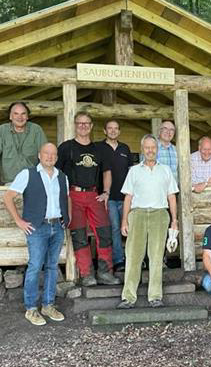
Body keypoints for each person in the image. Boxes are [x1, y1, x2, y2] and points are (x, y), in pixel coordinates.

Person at [3, 143, 71, 326]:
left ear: (56, 157)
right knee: (34, 266)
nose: (50, 157)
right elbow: (8, 197)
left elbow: (66, 199)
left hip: (57, 226)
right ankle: (31, 308)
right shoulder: (28, 174)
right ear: (39, 156)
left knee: (51, 266)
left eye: (53, 154)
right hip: (37, 228)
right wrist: (19, 220)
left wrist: (67, 217)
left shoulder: (62, 177)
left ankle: (48, 305)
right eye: (46, 153)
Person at [56, 112, 120, 287]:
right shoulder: (65, 147)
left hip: (94, 195)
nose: (83, 126)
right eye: (80, 123)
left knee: (105, 233)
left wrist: (106, 192)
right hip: (73, 195)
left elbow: (107, 172)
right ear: (75, 125)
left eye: (87, 123)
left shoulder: (99, 149)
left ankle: (106, 273)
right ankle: (86, 275)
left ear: (91, 126)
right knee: (79, 236)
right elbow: (56, 173)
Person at [117, 134, 179, 309]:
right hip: (137, 214)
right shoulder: (134, 170)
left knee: (157, 256)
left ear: (157, 150)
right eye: (147, 147)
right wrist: (124, 221)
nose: (150, 150)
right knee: (133, 256)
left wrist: (174, 221)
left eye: (153, 147)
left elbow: (172, 196)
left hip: (160, 214)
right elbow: (128, 198)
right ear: (142, 149)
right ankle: (128, 297)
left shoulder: (165, 170)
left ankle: (155, 296)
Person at [0, 102, 47, 190]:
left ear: (27, 117)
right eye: (16, 114)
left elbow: (46, 156)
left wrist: (47, 181)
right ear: (10, 116)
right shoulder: (1, 131)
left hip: (32, 182)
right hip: (10, 183)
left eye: (23, 114)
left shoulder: (36, 130)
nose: (20, 117)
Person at [96, 119, 133, 273]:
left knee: (130, 228)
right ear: (104, 131)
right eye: (109, 128)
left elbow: (132, 172)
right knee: (115, 229)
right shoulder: (98, 147)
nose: (112, 131)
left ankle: (132, 259)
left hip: (126, 196)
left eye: (116, 128)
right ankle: (118, 260)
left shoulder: (125, 148)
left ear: (119, 131)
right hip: (108, 197)